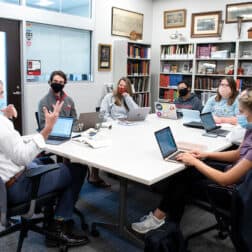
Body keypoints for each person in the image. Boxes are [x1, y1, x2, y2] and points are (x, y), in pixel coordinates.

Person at [131, 88, 252, 234]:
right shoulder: (250, 129)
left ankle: (163, 223)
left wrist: (196, 162)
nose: (239, 116)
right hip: (236, 175)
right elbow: (237, 154)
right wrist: (204, 155)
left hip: (236, 192)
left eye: (242, 112)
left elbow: (225, 180)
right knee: (187, 171)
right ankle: (168, 225)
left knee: (183, 179)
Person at [0, 101, 89, 247]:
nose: (1, 97)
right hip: (16, 187)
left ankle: (50, 215)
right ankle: (57, 227)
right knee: (77, 170)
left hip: (4, 187)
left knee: (47, 161)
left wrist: (5, 116)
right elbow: (22, 156)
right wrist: (48, 128)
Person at [38, 70, 109, 188]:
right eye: (55, 81)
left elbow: (74, 119)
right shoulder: (43, 102)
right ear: (50, 82)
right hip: (53, 135)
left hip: (70, 133)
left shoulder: (69, 100)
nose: (58, 84)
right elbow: (42, 125)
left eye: (61, 82)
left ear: (64, 84)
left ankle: (94, 176)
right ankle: (66, 178)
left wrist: (81, 127)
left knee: (92, 141)